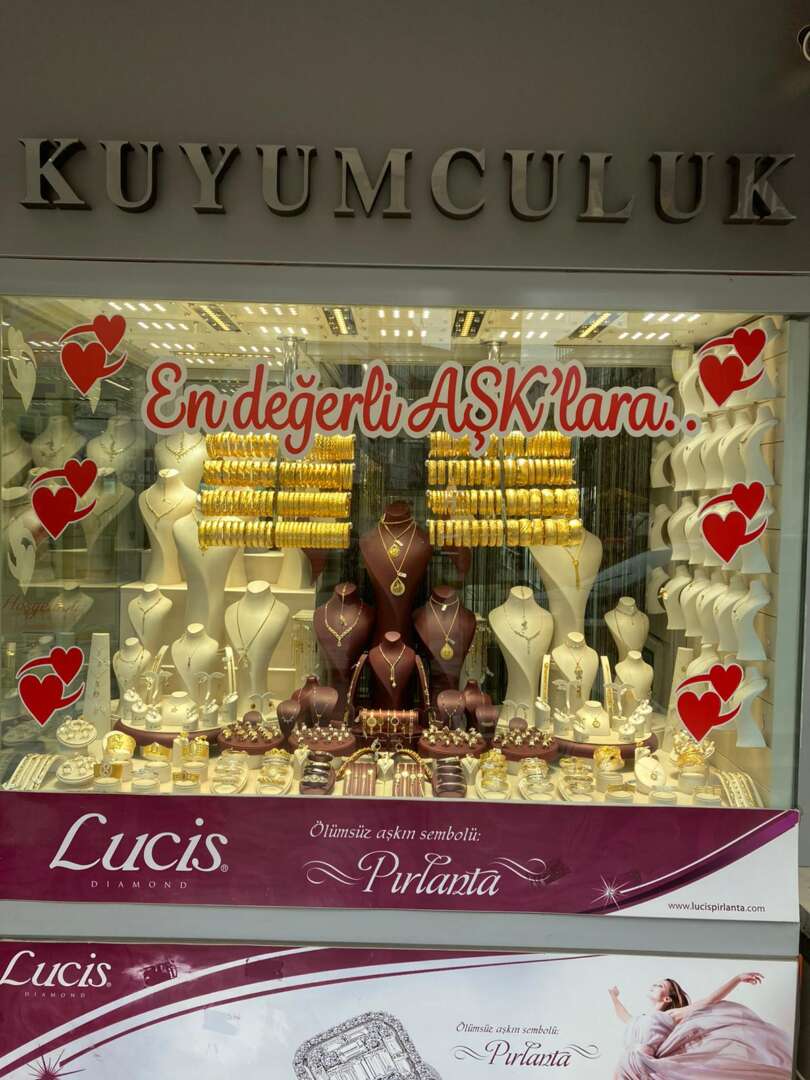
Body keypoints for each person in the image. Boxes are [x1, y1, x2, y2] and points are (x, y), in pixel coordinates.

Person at [608, 972, 793, 1078]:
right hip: (623, 1066)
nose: (654, 986)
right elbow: (624, 1015)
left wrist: (737, 979)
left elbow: (709, 1000)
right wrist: (614, 997)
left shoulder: (670, 1015)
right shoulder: (638, 1020)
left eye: (659, 986)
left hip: (646, 1066)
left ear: (666, 999)